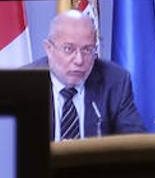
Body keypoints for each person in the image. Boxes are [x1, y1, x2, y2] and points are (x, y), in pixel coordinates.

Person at [26, 9, 145, 140]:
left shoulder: (115, 81)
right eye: (68, 49)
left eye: (87, 50)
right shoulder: (24, 84)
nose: (79, 60)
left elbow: (135, 144)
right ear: (49, 49)